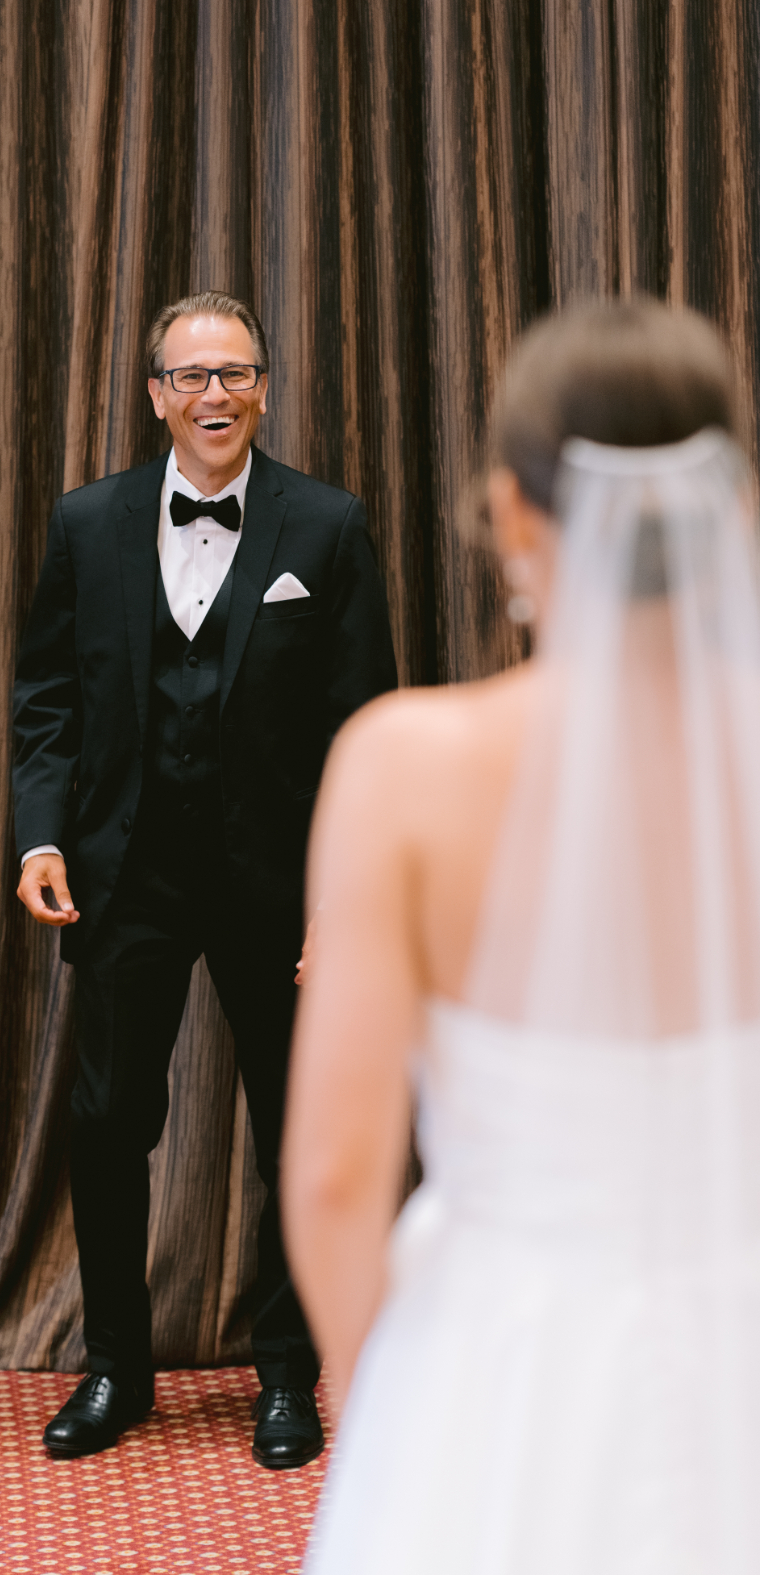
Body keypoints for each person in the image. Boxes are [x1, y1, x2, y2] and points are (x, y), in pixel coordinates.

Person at [284, 298, 760, 1568]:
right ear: (731, 502)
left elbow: (336, 1175)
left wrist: (384, 1402)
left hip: (506, 1360)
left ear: (512, 512)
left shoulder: (407, 770)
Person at [12, 290, 398, 1465]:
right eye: (191, 376)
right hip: (123, 876)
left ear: (264, 387)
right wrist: (39, 838)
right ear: (155, 395)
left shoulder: (326, 528)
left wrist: (343, 893)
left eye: (234, 373)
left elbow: (363, 726)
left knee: (293, 1124)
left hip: (278, 890)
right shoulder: (87, 525)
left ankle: (288, 1377)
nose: (214, 394)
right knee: (105, 1119)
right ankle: (117, 1368)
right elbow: (47, 703)